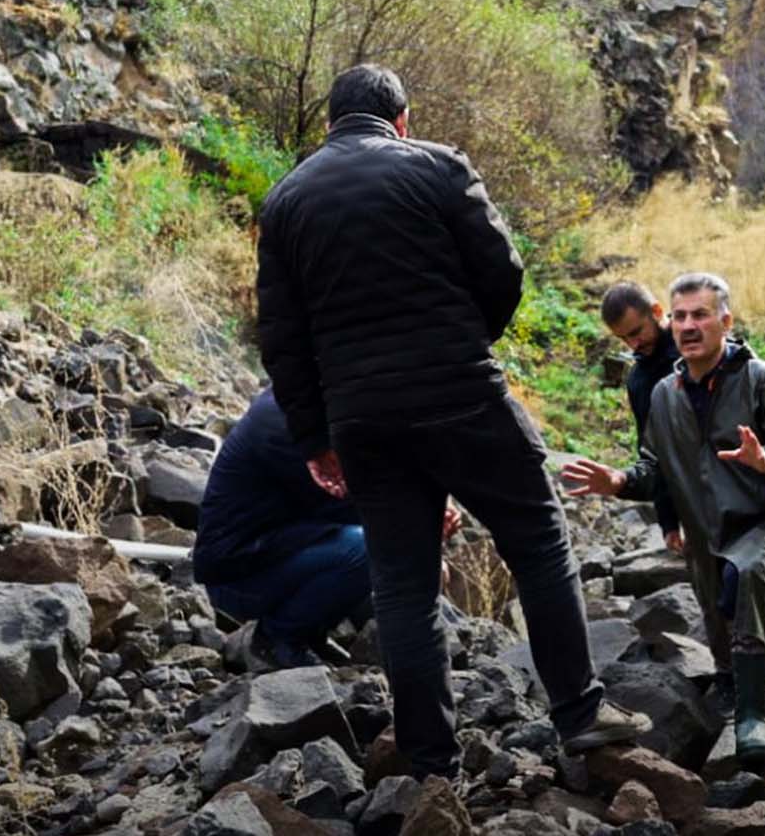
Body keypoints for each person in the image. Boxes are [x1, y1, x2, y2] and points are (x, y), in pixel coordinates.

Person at [255, 63, 647, 777]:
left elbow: (281, 337)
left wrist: (315, 437)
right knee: (536, 537)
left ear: (329, 125)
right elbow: (504, 271)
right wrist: (469, 343)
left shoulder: (284, 201)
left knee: (403, 581)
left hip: (363, 420)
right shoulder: (437, 167)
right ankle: (581, 713)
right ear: (402, 118)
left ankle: (431, 759)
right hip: (460, 392)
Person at [561, 273, 765, 768]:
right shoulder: (661, 392)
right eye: (681, 317)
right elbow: (654, 467)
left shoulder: (762, 379)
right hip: (708, 529)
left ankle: (753, 720)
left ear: (726, 320)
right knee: (724, 615)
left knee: (745, 578)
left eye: (700, 315)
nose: (688, 325)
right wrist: (618, 481)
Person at [194, 389, 374, 670]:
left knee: (372, 543)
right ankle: (275, 640)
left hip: (270, 551)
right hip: (236, 578)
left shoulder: (299, 406)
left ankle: (307, 633)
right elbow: (350, 505)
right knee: (368, 549)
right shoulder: (285, 426)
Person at [600, 281, 685, 553]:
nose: (633, 345)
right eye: (623, 338)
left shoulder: (698, 344)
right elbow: (652, 455)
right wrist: (669, 522)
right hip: (692, 510)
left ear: (657, 311)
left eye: (636, 332)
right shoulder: (638, 380)